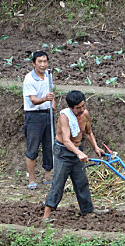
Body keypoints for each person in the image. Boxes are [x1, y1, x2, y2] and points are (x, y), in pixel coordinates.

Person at [43, 90, 108, 222]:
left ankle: (87, 210)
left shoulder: (85, 114)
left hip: (77, 151)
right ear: (71, 107)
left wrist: (96, 147)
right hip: (63, 153)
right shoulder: (64, 118)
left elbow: (88, 133)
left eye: (83, 106)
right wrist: (79, 153)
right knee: (58, 184)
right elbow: (66, 140)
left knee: (81, 182)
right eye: (78, 108)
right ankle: (46, 216)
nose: (82, 109)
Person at [22, 50, 55, 190]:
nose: (43, 64)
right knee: (33, 148)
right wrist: (45, 99)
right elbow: (34, 100)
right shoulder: (29, 79)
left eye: (45, 61)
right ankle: (32, 179)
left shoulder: (48, 75)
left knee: (49, 146)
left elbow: (52, 93)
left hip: (48, 114)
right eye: (40, 62)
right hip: (34, 116)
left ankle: (48, 175)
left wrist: (52, 105)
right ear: (33, 63)